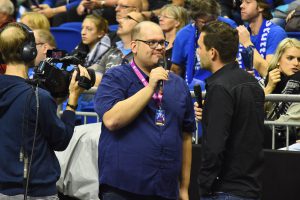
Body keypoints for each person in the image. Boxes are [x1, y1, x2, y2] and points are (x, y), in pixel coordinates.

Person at [94, 21, 195, 200]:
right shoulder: (116, 77)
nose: (158, 47)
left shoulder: (178, 84)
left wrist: (184, 188)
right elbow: (111, 120)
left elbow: (186, 136)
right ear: (134, 46)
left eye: (162, 43)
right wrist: (149, 88)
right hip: (123, 188)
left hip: (165, 188)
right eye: (151, 42)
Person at [0, 22, 89, 198]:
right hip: (34, 191)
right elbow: (61, 140)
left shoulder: (38, 96)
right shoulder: (37, 97)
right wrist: (72, 100)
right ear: (29, 50)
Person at [194, 21, 265, 199]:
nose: (198, 52)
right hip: (249, 187)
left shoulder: (220, 88)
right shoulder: (252, 83)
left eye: (200, 47)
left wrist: (204, 184)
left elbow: (215, 145)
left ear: (212, 53)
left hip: (225, 189)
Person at [170, 0, 237, 89]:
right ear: (194, 19)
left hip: (226, 84)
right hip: (195, 88)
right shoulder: (183, 35)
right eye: (203, 22)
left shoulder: (229, 26)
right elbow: (176, 69)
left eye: (212, 20)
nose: (209, 25)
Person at [264, 38, 300, 149]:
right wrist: (269, 88)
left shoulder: (297, 85)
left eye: (299, 59)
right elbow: (250, 110)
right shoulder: (266, 81)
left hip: (288, 144)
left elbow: (285, 124)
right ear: (278, 60)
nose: (296, 63)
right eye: (290, 58)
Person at [237, 0, 287, 78]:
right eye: (242, 2)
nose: (241, 6)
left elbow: (268, 74)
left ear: (260, 7)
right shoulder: (242, 34)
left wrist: (247, 43)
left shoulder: (276, 33)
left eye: (247, 2)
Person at [91, 11, 144, 83]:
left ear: (140, 27)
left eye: (128, 18)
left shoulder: (142, 53)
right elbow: (97, 75)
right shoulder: (112, 50)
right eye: (123, 18)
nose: (120, 20)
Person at [158, 4, 188, 69]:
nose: (160, 19)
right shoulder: (157, 42)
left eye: (166, 17)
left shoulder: (182, 45)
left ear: (177, 23)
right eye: (160, 16)